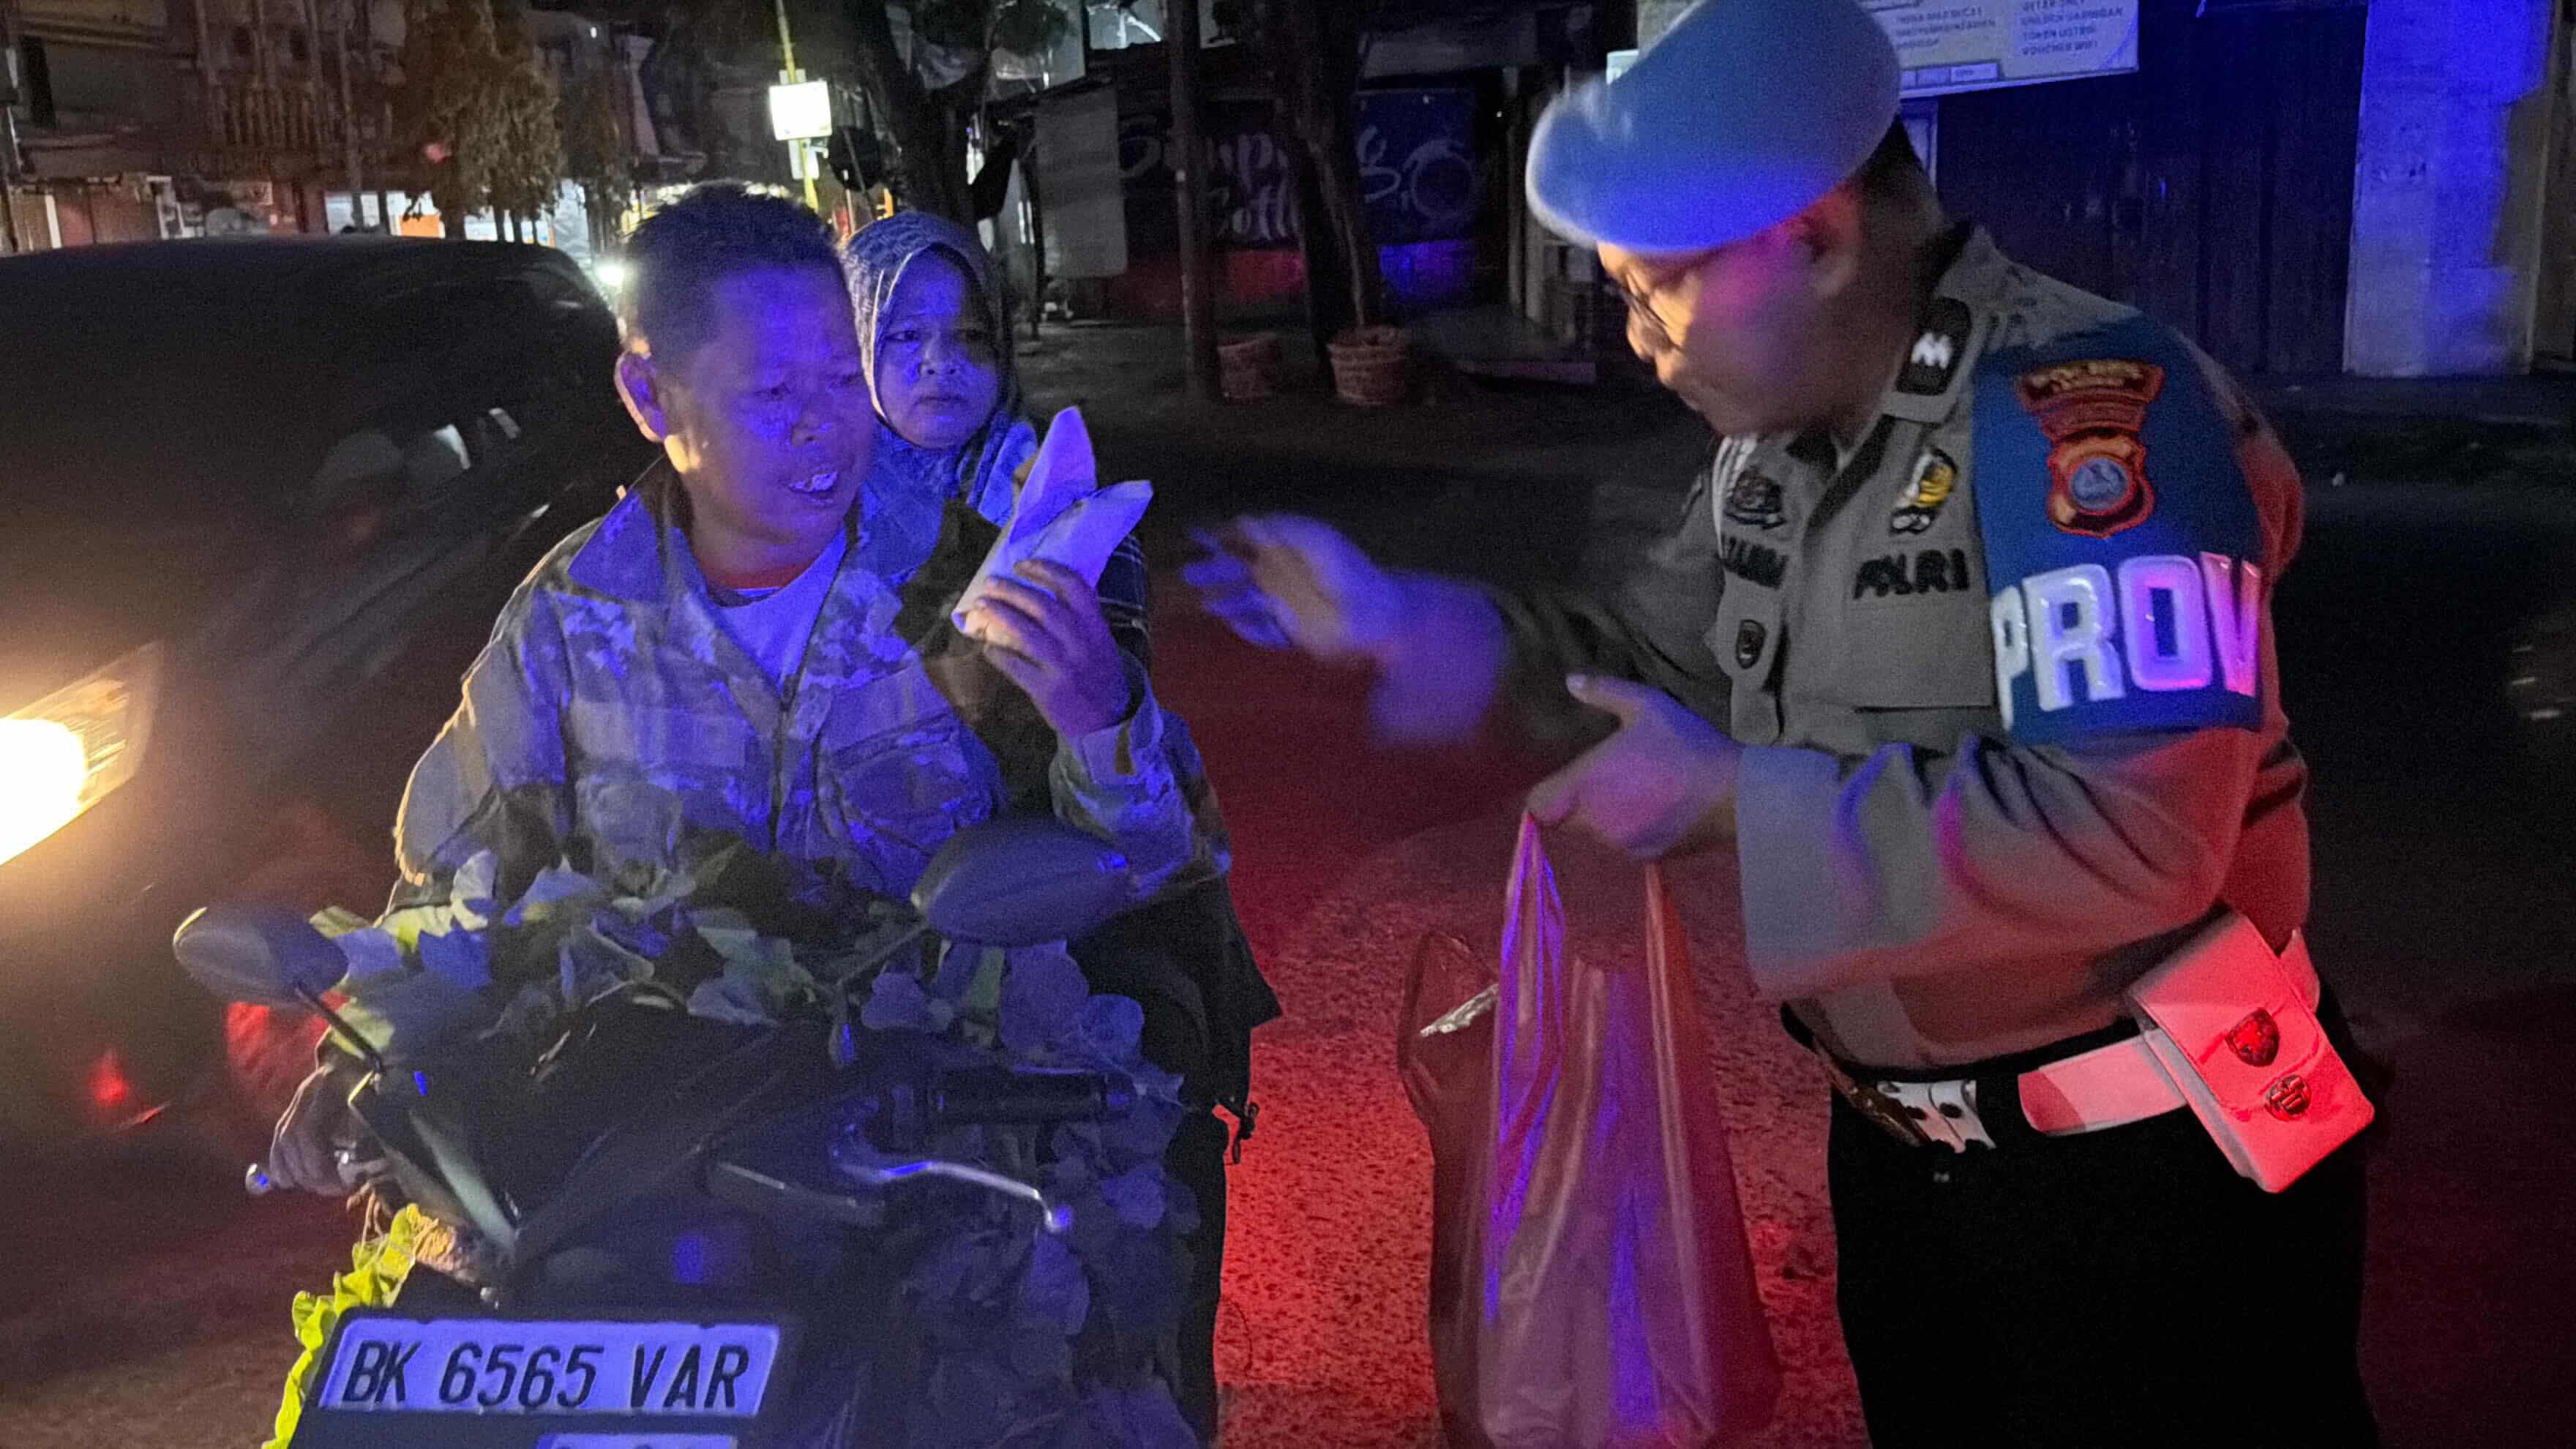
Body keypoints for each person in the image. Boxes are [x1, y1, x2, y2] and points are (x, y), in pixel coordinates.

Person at [1183, 0, 2376, 1442]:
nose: (1637, 338)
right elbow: (1651, 677)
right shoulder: (1768, 457)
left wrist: (1746, 799)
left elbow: (2134, 838)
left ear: (1811, 237)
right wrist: (1400, 624)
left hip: (2142, 1188)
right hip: (1902, 1162)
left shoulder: (2083, 415)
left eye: (1662, 287)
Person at [260, 182, 1232, 1440]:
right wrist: (359, 1048)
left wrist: (1104, 721)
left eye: (842, 377)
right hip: (631, 1153)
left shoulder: (969, 584)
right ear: (653, 401)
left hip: (929, 1155)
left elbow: (1154, 870)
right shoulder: (570, 621)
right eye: (776, 396)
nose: (829, 428)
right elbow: (458, 887)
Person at [845, 208, 1278, 1444]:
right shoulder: (811, 516)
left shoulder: (1062, 509)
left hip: (1097, 925)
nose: (939, 366)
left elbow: (1111, 757)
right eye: (906, 337)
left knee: (1127, 1297)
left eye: (970, 337)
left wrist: (1079, 702)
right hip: (894, 952)